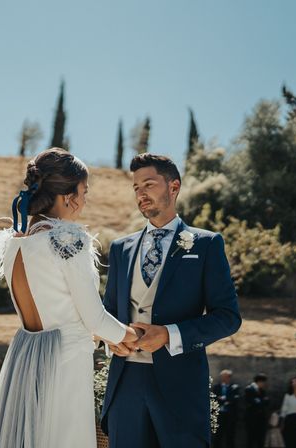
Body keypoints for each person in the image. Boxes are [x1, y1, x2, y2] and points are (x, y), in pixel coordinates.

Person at [0, 148, 139, 448]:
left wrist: (103, 336)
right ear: (68, 197)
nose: (85, 200)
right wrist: (129, 335)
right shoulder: (68, 239)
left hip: (26, 357)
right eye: (84, 191)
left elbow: (54, 309)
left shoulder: (14, 245)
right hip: (66, 361)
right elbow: (93, 316)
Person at [101, 153, 242, 448]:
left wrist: (168, 334)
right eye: (136, 188)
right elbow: (109, 312)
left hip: (180, 387)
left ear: (173, 187)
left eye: (149, 184)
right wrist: (108, 337)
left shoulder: (206, 244)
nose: (141, 194)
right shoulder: (120, 248)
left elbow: (228, 316)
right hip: (126, 385)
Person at [212, 369, 241, 448]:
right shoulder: (216, 387)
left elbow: (235, 399)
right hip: (219, 415)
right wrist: (225, 400)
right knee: (218, 436)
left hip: (230, 415)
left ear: (229, 378)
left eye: (226, 377)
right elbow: (214, 398)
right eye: (222, 377)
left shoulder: (234, 387)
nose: (223, 379)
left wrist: (224, 399)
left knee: (230, 435)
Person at [245, 373, 270, 448]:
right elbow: (253, 402)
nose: (264, 384)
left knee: (260, 439)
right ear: (259, 381)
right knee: (251, 439)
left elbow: (266, 401)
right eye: (263, 382)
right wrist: (261, 401)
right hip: (251, 418)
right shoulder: (249, 389)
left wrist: (261, 401)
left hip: (261, 419)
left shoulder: (262, 390)